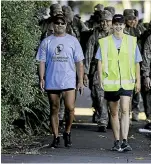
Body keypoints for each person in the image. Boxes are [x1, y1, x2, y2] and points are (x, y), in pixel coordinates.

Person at [36, 14, 84, 148]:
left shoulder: (73, 41)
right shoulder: (47, 41)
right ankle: (56, 136)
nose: (59, 25)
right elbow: (41, 61)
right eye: (57, 23)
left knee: (70, 108)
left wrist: (80, 80)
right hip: (52, 79)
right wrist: (41, 78)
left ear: (66, 25)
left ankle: (67, 132)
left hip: (68, 80)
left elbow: (79, 62)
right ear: (53, 25)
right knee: (54, 108)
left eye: (62, 23)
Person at [96, 14, 141, 151]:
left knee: (125, 110)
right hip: (111, 82)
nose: (118, 26)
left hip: (127, 82)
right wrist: (100, 78)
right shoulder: (104, 42)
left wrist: (138, 81)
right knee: (114, 112)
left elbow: (137, 62)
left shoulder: (132, 41)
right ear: (112, 25)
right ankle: (117, 141)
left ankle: (125, 140)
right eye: (116, 24)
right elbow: (100, 61)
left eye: (121, 24)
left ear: (124, 25)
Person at [85, 10, 113, 132]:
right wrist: (85, 73)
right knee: (99, 96)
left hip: (114, 70)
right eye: (102, 21)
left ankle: (113, 120)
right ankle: (102, 121)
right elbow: (88, 54)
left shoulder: (118, 34)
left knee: (113, 97)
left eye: (108, 21)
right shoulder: (94, 36)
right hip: (99, 69)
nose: (105, 24)